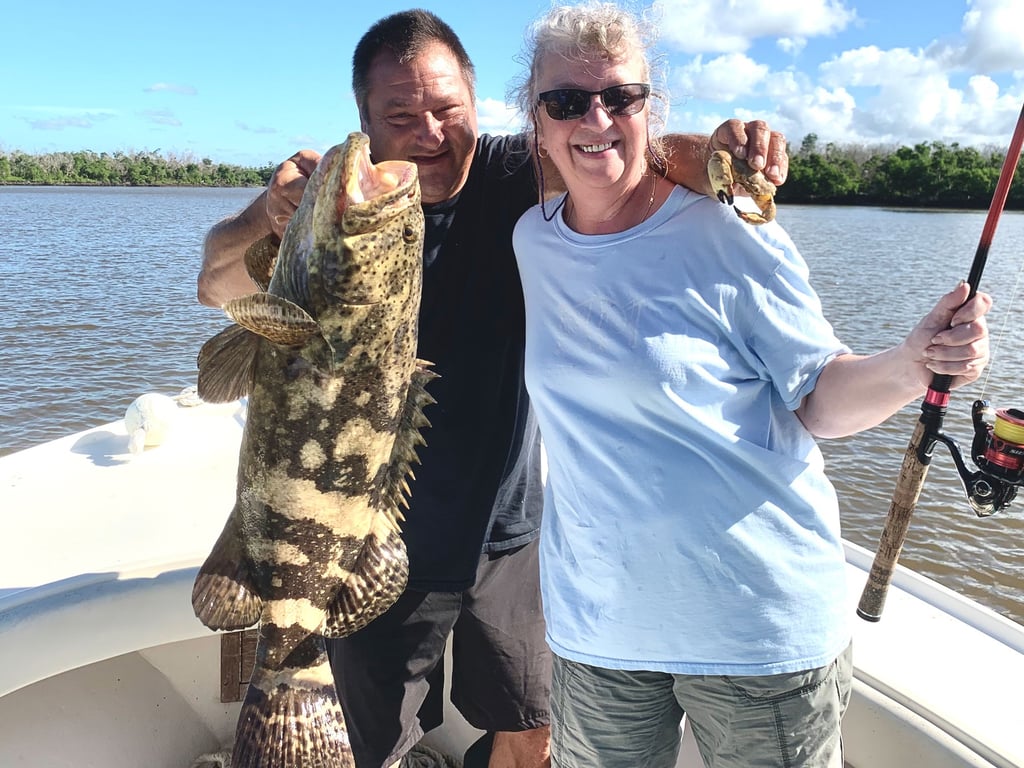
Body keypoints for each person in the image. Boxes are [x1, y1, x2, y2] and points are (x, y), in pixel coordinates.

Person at [197, 10, 790, 768]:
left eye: (447, 110)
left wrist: (724, 158)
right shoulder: (326, 221)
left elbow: (632, 152)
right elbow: (216, 283)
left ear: (477, 104)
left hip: (510, 535)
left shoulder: (522, 174)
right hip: (366, 538)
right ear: (365, 121)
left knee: (532, 730)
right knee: (367, 744)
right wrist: (266, 215)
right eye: (400, 116)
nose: (430, 133)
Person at [510, 3, 992, 768]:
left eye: (621, 98)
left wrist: (912, 362)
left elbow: (820, 398)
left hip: (756, 634)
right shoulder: (532, 236)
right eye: (566, 101)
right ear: (536, 123)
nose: (594, 117)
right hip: (598, 634)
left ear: (650, 109)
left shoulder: (729, 229)